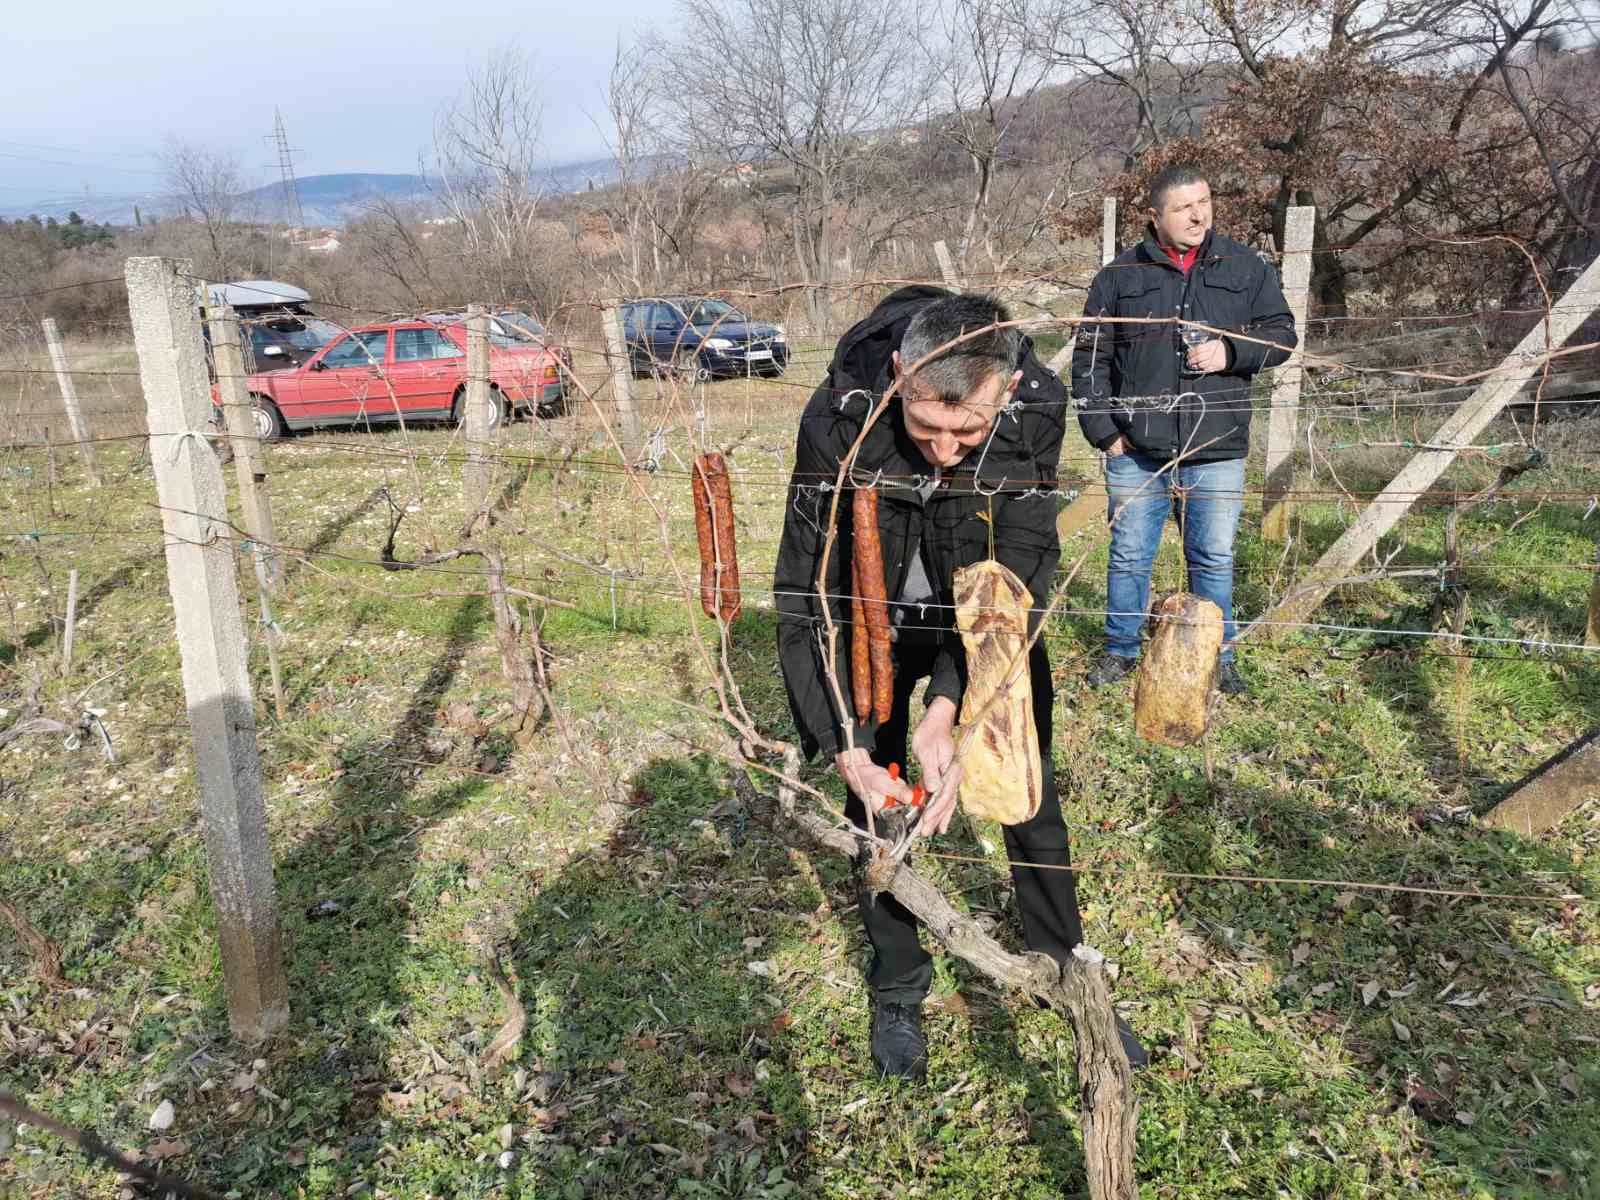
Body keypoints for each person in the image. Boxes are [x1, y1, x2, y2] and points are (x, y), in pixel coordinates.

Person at [774, 288, 1146, 1081]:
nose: (944, 450)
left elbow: (1019, 566)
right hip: (866, 615)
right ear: (901, 374)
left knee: (1024, 780)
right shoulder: (838, 413)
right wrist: (844, 743)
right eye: (924, 427)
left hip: (981, 612)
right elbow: (804, 588)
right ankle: (899, 981)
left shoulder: (1036, 407)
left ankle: (1065, 965)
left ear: (1005, 395)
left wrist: (951, 705)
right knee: (874, 793)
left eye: (966, 430)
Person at [1072, 164, 1298, 695]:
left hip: (1216, 447)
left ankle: (1217, 654)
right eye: (1183, 207)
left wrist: (1231, 351)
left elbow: (1283, 335)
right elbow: (1089, 361)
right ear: (1155, 216)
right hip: (1137, 450)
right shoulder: (1118, 278)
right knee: (1129, 556)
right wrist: (1104, 432)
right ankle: (1121, 650)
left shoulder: (1245, 267)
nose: (1199, 215)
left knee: (1213, 558)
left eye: (1205, 202)